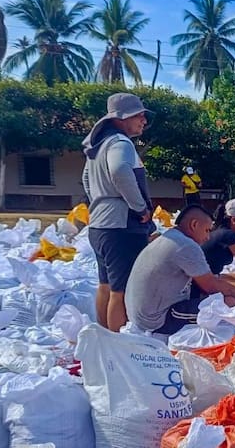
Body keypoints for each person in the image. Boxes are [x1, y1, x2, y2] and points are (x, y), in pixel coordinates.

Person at [82, 93, 155, 332]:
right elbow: (120, 171)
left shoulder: (98, 146)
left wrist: (99, 200)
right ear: (121, 118)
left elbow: (86, 179)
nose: (144, 121)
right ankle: (117, 343)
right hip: (121, 227)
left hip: (99, 225)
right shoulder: (120, 143)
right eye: (139, 116)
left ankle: (103, 336)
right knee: (122, 290)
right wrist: (139, 207)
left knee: (105, 285)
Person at [125, 205, 235, 335]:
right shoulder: (186, 245)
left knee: (224, 295)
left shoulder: (170, 237)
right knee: (228, 302)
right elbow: (210, 286)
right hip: (157, 320)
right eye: (207, 230)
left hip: (140, 314)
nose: (208, 237)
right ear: (194, 225)